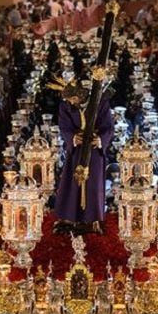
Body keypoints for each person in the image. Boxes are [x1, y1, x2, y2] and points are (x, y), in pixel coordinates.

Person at [54, 80, 113, 229]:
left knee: (94, 184)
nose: (72, 103)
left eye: (74, 99)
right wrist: (73, 138)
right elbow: (64, 126)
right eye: (69, 100)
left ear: (81, 95)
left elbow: (108, 126)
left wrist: (100, 140)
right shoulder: (66, 106)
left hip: (94, 151)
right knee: (72, 183)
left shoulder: (101, 103)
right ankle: (70, 216)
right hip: (76, 151)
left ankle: (93, 218)